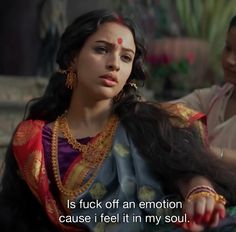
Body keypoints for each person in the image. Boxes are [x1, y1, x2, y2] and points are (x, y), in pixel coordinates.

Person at [0, 9, 236, 232]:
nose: (114, 64)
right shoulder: (36, 140)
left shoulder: (144, 124)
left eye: (126, 57)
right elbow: (19, 214)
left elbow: (186, 170)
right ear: (73, 58)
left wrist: (200, 193)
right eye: (102, 50)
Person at [172, 16, 236, 165]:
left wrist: (215, 154)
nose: (229, 60)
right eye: (228, 48)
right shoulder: (214, 98)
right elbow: (167, 111)